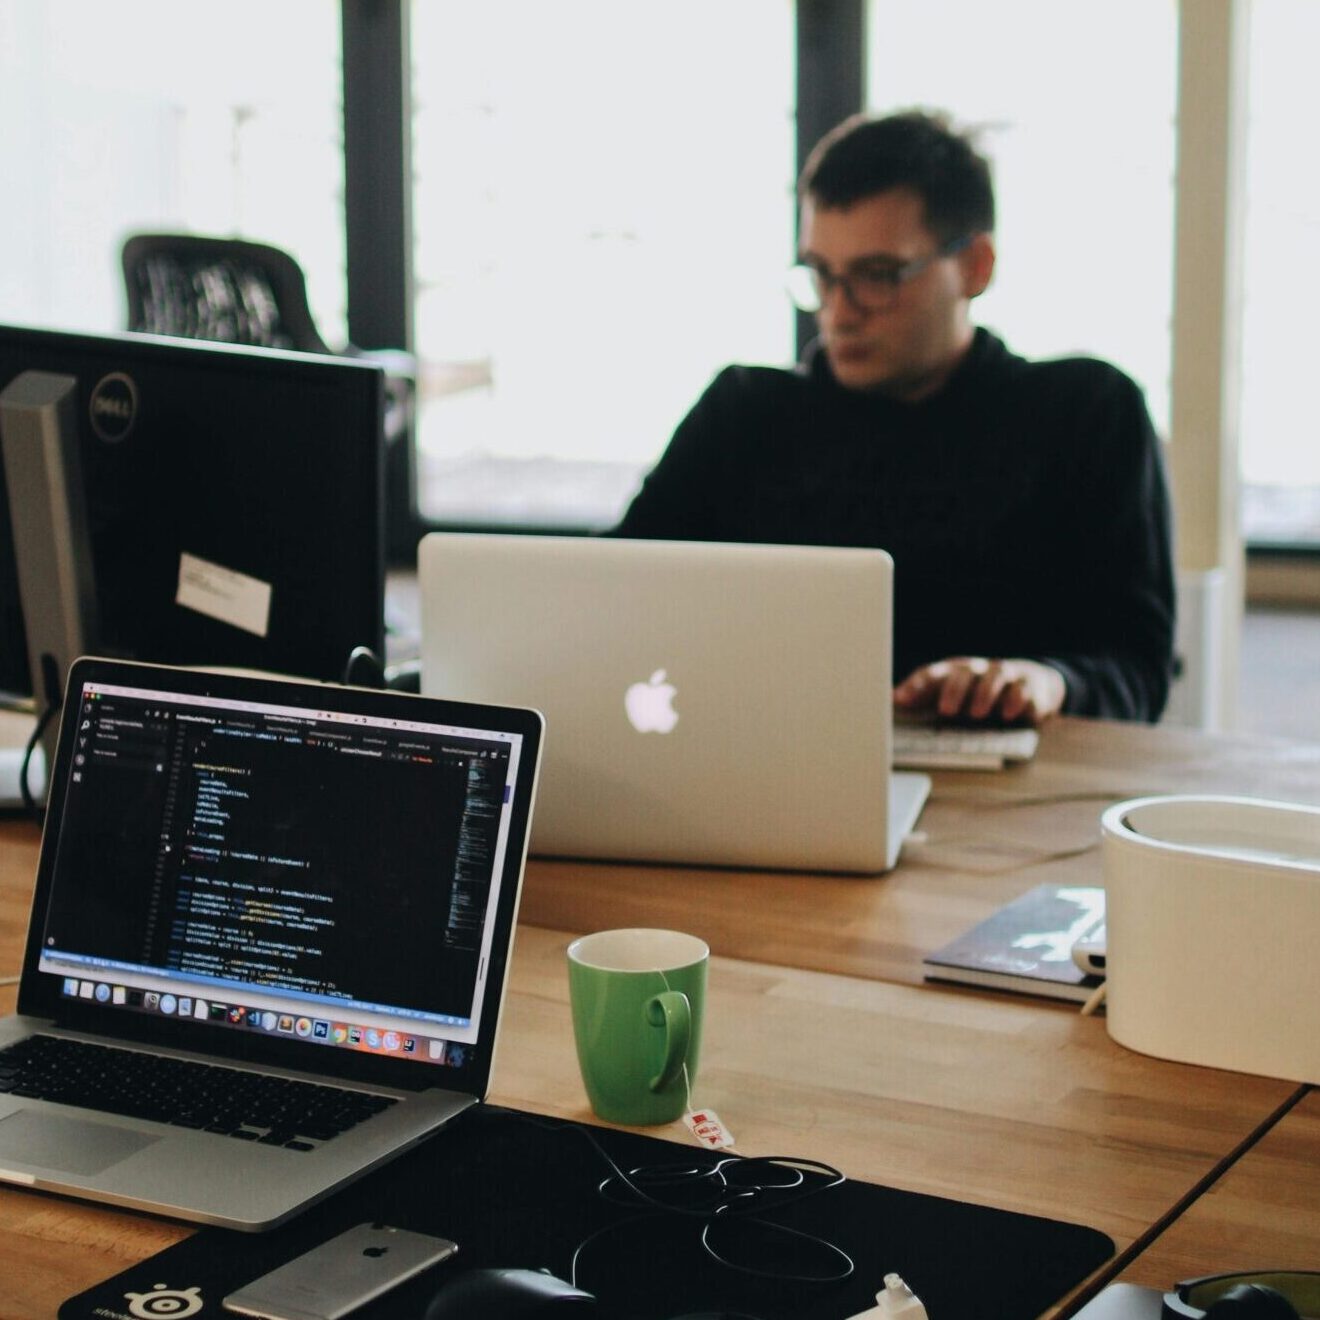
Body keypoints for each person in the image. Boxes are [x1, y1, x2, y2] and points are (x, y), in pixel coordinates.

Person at [612, 109, 1175, 725]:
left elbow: (1138, 669)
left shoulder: (1086, 414)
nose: (839, 312)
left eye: (878, 276)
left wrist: (1047, 681)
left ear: (975, 266)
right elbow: (610, 595)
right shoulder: (742, 414)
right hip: (764, 761)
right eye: (821, 275)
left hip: (1013, 775)